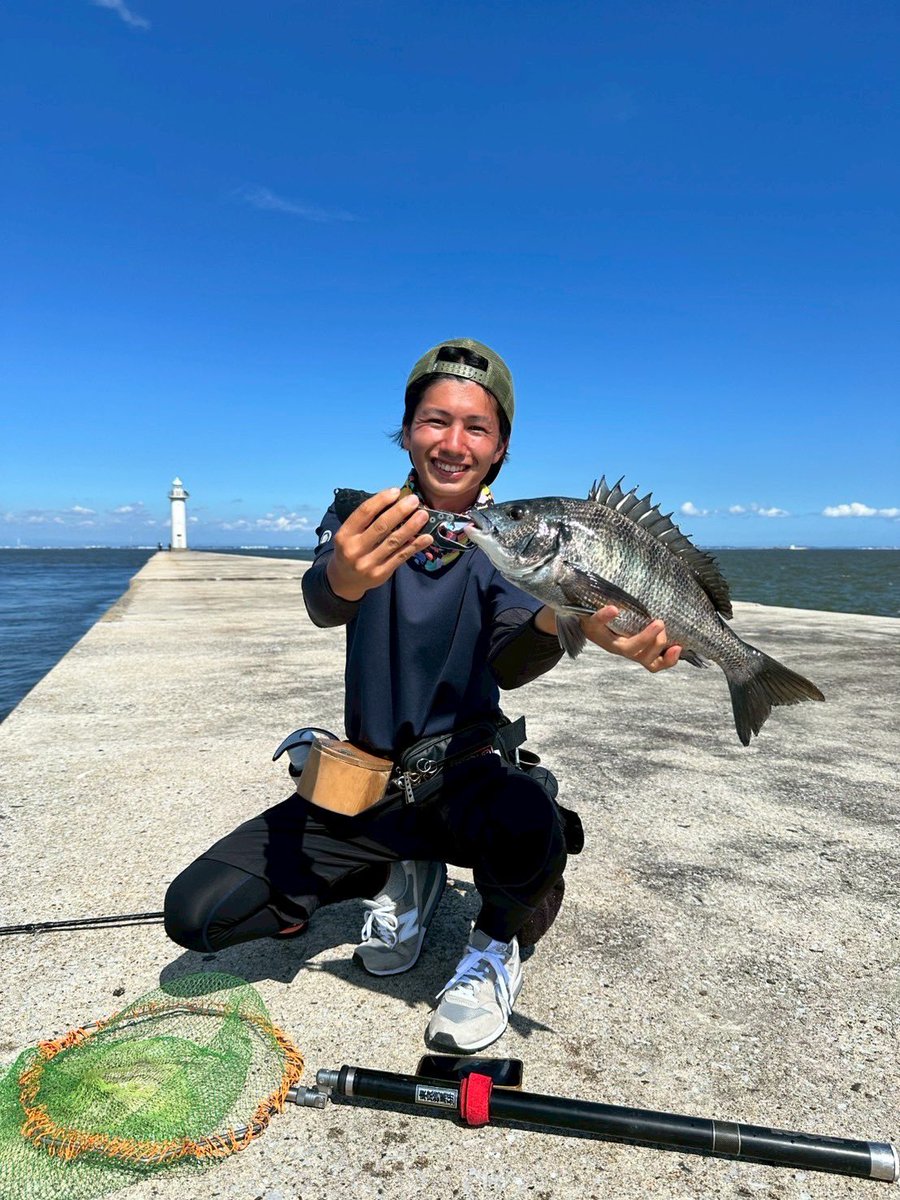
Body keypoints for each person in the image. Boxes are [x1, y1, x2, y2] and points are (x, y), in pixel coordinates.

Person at [164, 337, 680, 1052]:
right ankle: (403, 872)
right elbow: (325, 597)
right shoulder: (357, 515)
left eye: (477, 426)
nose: (453, 442)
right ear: (407, 432)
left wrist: (568, 621)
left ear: (499, 447)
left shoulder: (513, 547)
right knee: (200, 916)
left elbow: (510, 659)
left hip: (464, 777)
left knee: (531, 824)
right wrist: (345, 574)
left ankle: (493, 943)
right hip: (364, 787)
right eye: (435, 420)